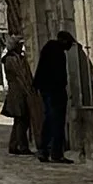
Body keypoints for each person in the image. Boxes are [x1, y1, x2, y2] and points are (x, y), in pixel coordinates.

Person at [33, 29, 71, 162]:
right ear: (63, 41)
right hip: (54, 91)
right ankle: (55, 153)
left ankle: (44, 150)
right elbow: (58, 74)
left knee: (49, 119)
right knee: (56, 121)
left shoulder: (49, 48)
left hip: (47, 89)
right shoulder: (57, 52)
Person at [1, 40, 34, 155]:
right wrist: (27, 90)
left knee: (21, 120)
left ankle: (15, 145)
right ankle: (20, 146)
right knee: (21, 119)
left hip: (20, 91)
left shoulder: (18, 58)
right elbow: (20, 76)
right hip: (17, 92)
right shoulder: (11, 59)